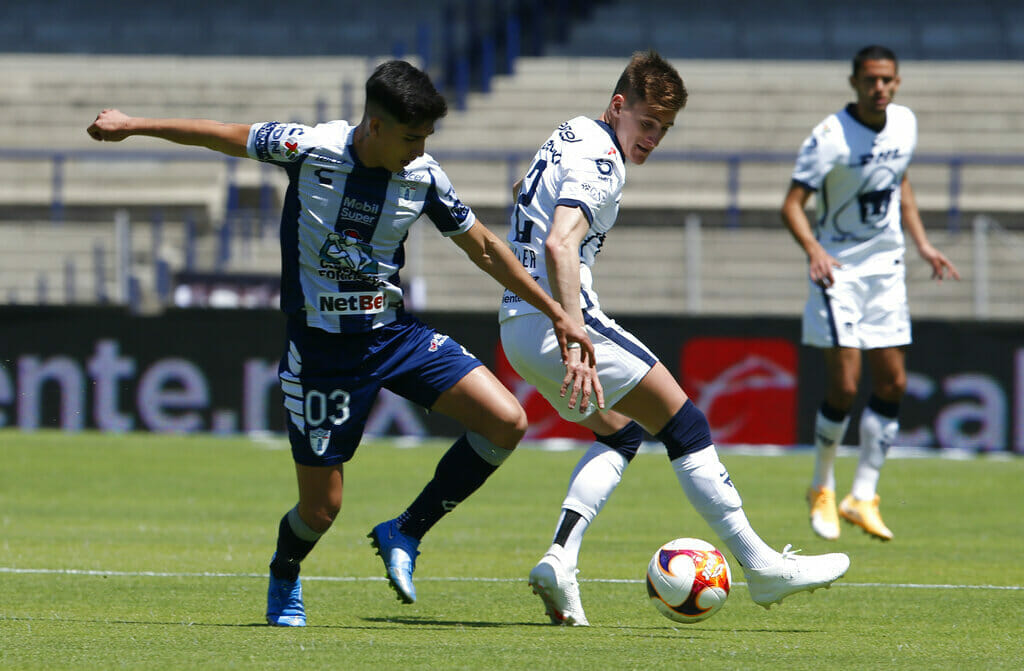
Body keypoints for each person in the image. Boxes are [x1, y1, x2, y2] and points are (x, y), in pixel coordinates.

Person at [87, 60, 600, 627]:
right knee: (321, 509)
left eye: (427, 137)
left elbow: (481, 245)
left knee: (506, 420)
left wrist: (556, 311)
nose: (420, 148)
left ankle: (405, 530)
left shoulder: (424, 174)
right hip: (322, 353)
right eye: (411, 137)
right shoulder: (308, 148)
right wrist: (133, 124)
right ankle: (285, 571)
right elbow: (222, 135)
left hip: (392, 336)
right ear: (375, 127)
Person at [498, 50, 850, 626]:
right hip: (556, 321)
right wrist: (577, 339)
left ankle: (560, 558)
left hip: (516, 326)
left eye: (664, 129)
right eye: (647, 123)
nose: (654, 138)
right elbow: (562, 243)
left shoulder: (571, 132)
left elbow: (523, 189)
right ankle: (760, 566)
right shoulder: (604, 161)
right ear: (619, 107)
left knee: (621, 435)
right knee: (685, 423)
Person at [780, 45, 960, 542]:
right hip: (839, 271)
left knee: (893, 383)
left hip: (887, 268)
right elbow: (792, 205)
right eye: (870, 80)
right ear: (854, 82)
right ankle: (821, 485)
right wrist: (814, 249)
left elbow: (899, 180)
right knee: (843, 386)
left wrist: (922, 243)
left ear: (897, 82)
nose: (879, 88)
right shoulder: (830, 137)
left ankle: (862, 495)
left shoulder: (905, 124)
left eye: (887, 80)